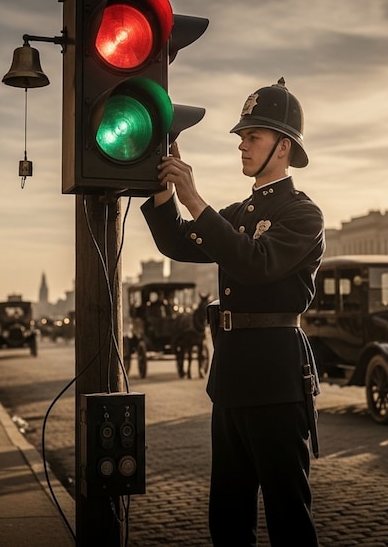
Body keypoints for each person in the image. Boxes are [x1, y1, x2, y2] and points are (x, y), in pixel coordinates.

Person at [141, 78, 324, 545]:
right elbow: (177, 242)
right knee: (227, 515)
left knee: (288, 516)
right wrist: (164, 181)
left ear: (283, 147)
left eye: (253, 136)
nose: (242, 145)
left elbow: (255, 263)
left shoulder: (304, 214)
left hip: (277, 381)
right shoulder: (239, 213)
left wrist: (194, 198)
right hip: (232, 377)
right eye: (242, 136)